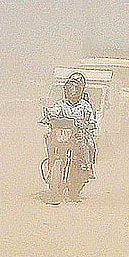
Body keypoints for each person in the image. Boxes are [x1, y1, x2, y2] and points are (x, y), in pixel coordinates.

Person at [42, 72, 97, 202]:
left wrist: (89, 125)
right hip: (62, 136)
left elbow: (92, 121)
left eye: (76, 88)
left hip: (78, 136)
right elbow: (54, 112)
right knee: (48, 136)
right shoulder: (61, 104)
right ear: (65, 89)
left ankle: (87, 168)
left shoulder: (85, 106)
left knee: (88, 144)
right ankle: (51, 160)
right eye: (70, 88)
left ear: (81, 90)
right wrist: (48, 116)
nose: (72, 91)